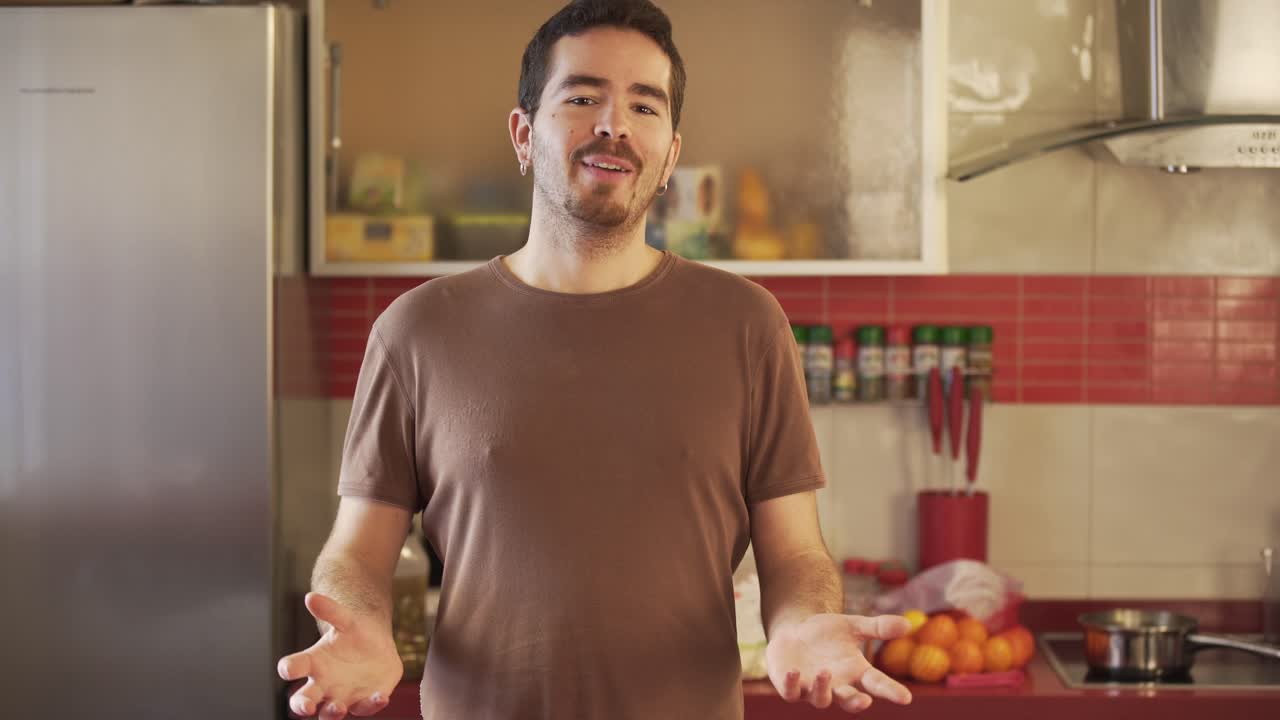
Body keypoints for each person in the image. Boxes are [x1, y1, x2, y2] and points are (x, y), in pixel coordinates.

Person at [276, 1, 914, 717]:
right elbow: (358, 551)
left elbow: (795, 553)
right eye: (583, 97)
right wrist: (359, 623)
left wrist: (801, 623)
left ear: (671, 152)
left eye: (645, 105)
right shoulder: (416, 330)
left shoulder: (747, 325)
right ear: (523, 133)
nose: (614, 123)